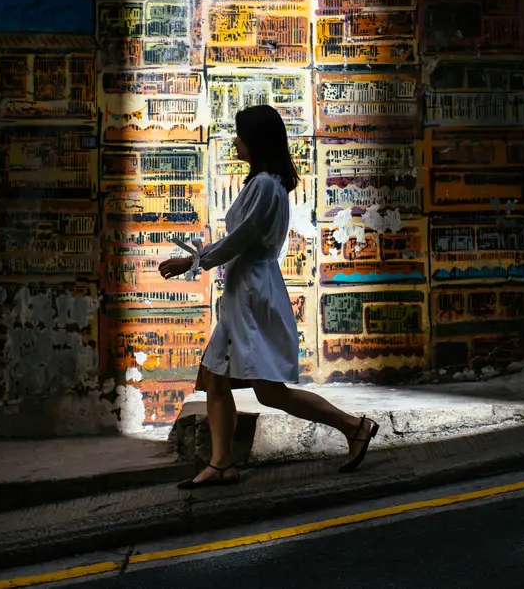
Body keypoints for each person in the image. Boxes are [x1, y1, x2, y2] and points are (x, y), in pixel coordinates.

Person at [159, 103, 380, 489]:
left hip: (252, 293)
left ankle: (354, 426)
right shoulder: (264, 183)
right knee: (214, 379)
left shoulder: (264, 185)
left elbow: (242, 238)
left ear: (255, 141)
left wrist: (195, 261)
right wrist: (201, 258)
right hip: (245, 290)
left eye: (240, 135)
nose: (235, 141)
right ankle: (221, 463)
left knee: (269, 392)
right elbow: (240, 239)